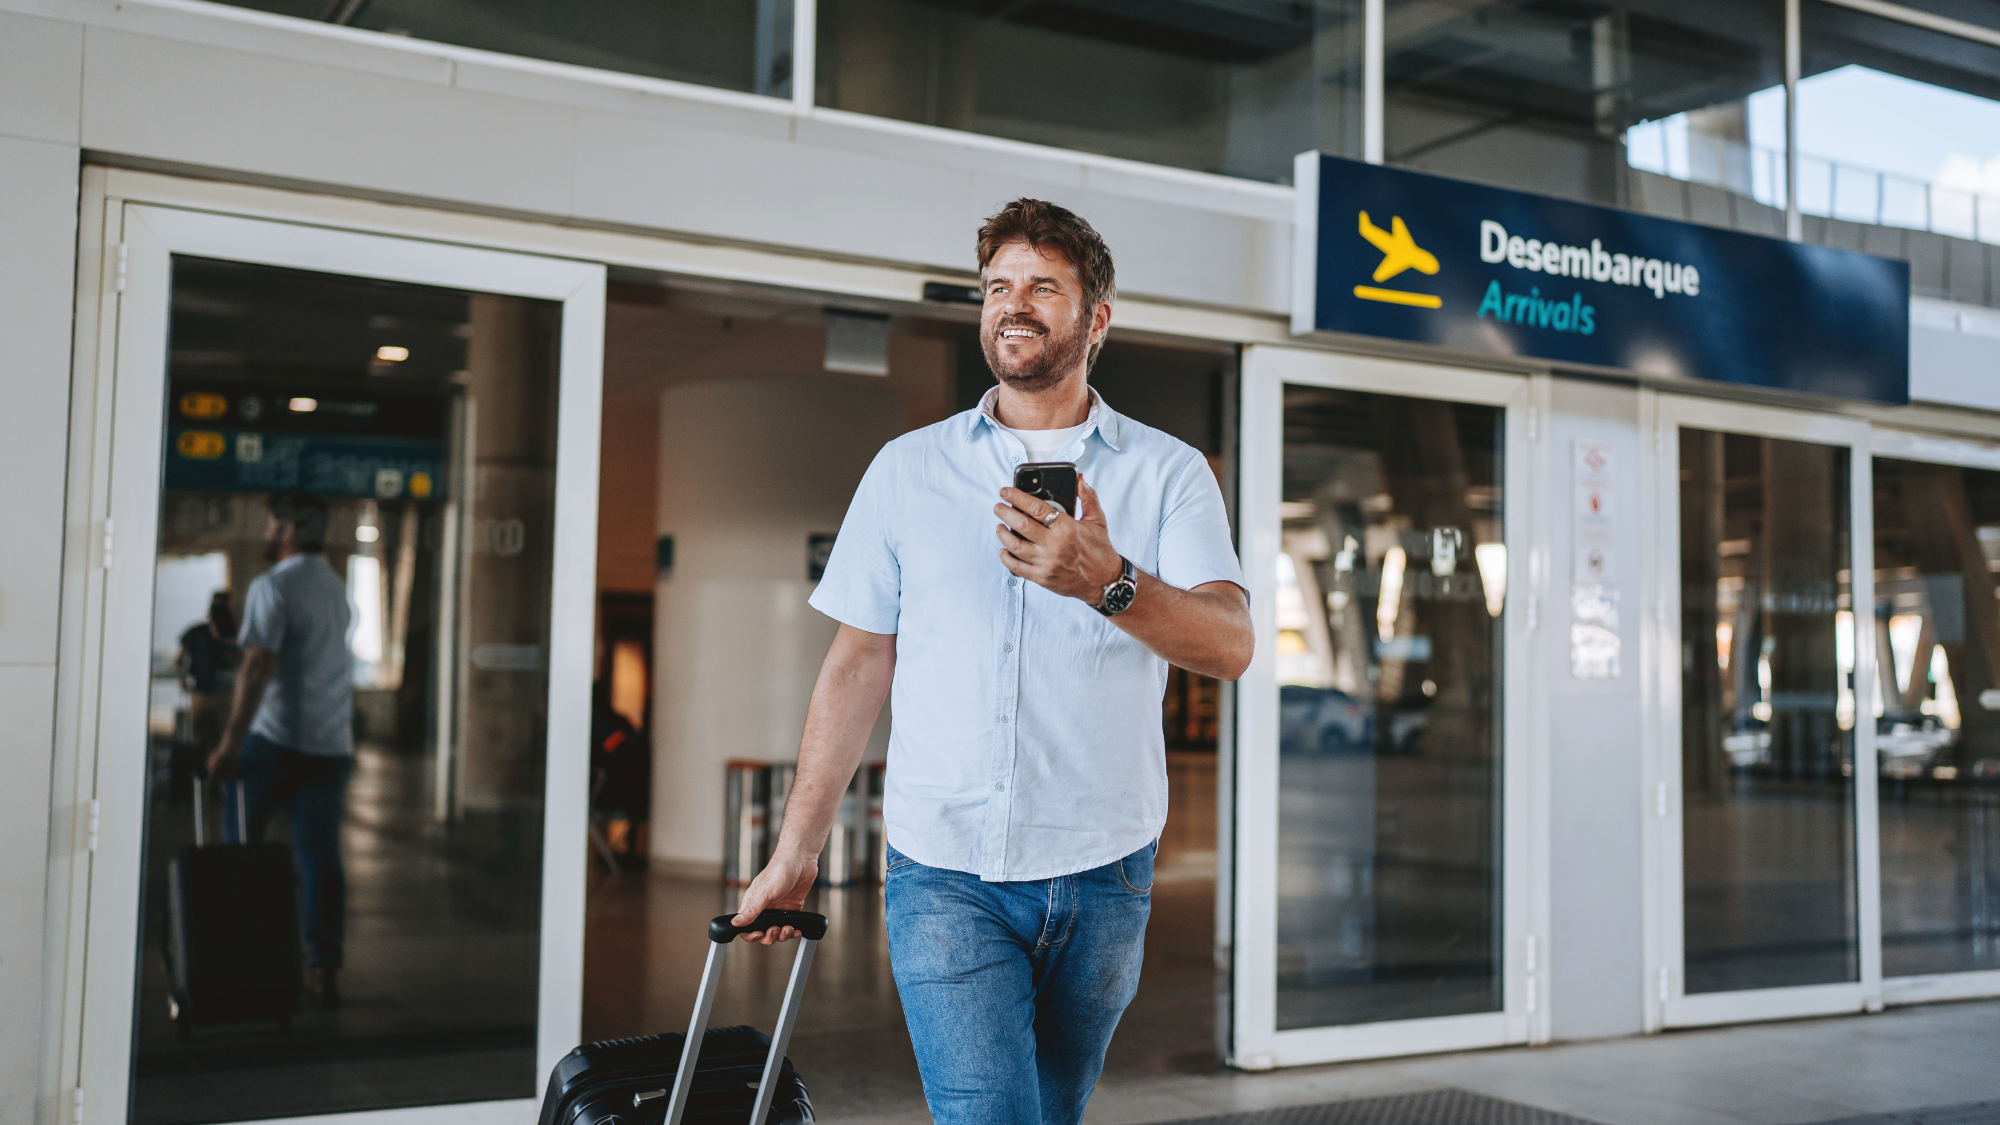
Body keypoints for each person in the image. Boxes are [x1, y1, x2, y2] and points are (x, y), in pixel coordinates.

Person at [731, 198, 1253, 1125]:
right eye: (997, 286)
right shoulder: (906, 469)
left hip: (1104, 868)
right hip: (944, 869)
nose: (1014, 303)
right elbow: (856, 663)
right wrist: (796, 848)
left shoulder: (1169, 472)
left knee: (1049, 1113)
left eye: (1043, 286)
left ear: (1096, 318)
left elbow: (1231, 643)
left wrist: (1108, 582)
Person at [206, 491, 355, 1008]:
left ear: (290, 530)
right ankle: (323, 965)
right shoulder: (335, 587)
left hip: (275, 741)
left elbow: (258, 667)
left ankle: (246, 957)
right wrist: (239, 640)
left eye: (273, 525)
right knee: (320, 857)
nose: (267, 533)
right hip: (330, 744)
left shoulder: (274, 585)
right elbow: (291, 656)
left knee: (240, 850)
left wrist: (229, 745)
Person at [178, 592, 240, 758]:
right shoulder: (197, 632)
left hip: (226, 695)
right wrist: (182, 680)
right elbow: (179, 658)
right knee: (199, 737)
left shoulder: (236, 635)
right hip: (202, 693)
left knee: (222, 739)